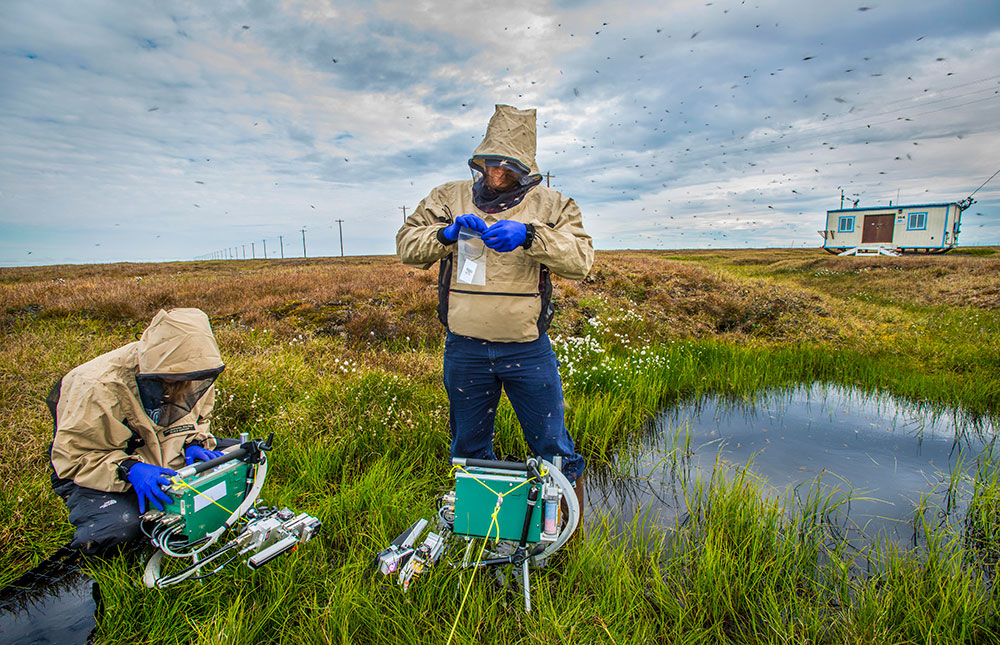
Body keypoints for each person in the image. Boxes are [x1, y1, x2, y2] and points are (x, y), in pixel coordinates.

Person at [396, 104, 594, 513]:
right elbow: (407, 247)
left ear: (525, 169)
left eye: (507, 168)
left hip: (527, 349)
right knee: (468, 447)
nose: (496, 175)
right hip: (465, 350)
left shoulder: (553, 205)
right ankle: (482, 528)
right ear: (480, 161)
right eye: (490, 165)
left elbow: (581, 261)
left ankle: (565, 534)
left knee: (552, 447)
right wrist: (446, 233)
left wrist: (530, 236)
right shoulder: (448, 197)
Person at [47, 308, 228, 555]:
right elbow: (73, 457)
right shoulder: (95, 386)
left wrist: (194, 443)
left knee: (244, 459)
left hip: (168, 456)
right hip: (97, 467)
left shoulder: (196, 371)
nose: (183, 388)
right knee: (117, 530)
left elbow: (200, 418)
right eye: (172, 383)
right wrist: (130, 469)